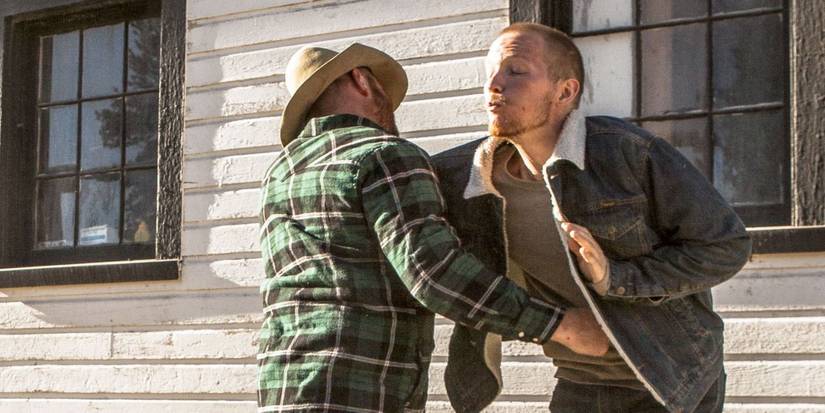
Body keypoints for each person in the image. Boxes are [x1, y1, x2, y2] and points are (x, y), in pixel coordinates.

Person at [257, 43, 609, 412]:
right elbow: (434, 272)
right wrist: (561, 325)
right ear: (361, 80)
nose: (391, 108)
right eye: (383, 91)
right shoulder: (385, 154)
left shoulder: (282, 173)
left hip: (285, 384)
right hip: (360, 389)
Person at [432, 23, 752, 413]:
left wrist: (615, 278)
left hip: (672, 377)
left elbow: (725, 245)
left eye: (515, 71)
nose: (495, 85)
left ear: (565, 92)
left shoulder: (627, 153)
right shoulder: (463, 177)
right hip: (579, 380)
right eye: (491, 74)